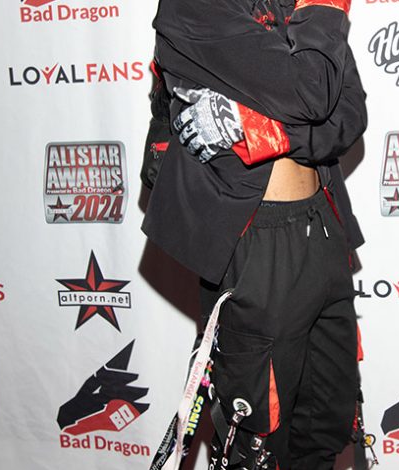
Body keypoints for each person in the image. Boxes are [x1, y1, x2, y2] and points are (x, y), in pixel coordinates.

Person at [142, 0, 368, 467]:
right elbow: (312, 93)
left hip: (325, 229)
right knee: (258, 439)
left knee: (325, 426)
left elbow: (348, 115)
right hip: (255, 244)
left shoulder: (299, 7)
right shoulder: (193, 8)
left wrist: (262, 131)